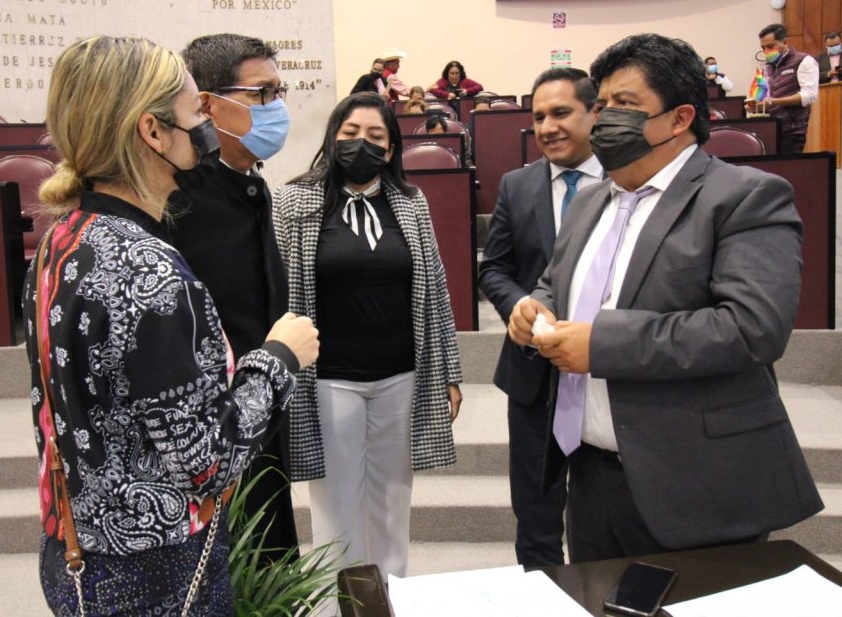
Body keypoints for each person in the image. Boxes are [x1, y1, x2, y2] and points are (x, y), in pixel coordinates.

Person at [23, 35, 319, 615]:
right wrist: (278, 358)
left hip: (76, 548)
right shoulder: (148, 269)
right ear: (153, 132)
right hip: (155, 570)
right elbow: (207, 463)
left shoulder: (62, 239)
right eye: (194, 113)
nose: (205, 129)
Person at [507, 33, 822, 564]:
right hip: (590, 474)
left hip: (697, 477)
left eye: (625, 104)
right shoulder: (589, 202)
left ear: (679, 119)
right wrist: (534, 308)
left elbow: (753, 328)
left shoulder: (744, 196)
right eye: (602, 105)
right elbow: (555, 284)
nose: (605, 118)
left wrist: (602, 344)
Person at [272, 91, 463, 586]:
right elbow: (279, 294)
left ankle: (389, 602)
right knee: (336, 516)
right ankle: (338, 609)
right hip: (329, 380)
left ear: (392, 148)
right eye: (351, 133)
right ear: (333, 139)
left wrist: (448, 373)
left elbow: (436, 290)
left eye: (376, 136)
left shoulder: (410, 202)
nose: (363, 144)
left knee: (392, 508)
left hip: (400, 376)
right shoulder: (294, 201)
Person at [168, 32, 301, 566]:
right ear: (207, 104)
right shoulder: (179, 198)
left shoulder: (249, 183)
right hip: (211, 435)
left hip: (261, 414)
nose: (277, 107)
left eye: (279, 92)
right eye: (261, 93)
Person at [479, 67, 602, 568]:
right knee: (536, 519)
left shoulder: (626, 184)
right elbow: (494, 269)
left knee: (603, 520)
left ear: (594, 113)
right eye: (539, 117)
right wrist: (519, 305)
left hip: (607, 373)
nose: (548, 127)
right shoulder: (517, 185)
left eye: (561, 113)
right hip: (532, 376)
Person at [751, 23, 819, 154]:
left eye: (770, 46)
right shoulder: (767, 67)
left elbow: (809, 96)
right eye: (763, 48)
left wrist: (775, 102)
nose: (766, 51)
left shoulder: (803, 61)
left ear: (785, 42)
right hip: (769, 129)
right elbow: (764, 96)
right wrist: (757, 106)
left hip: (792, 131)